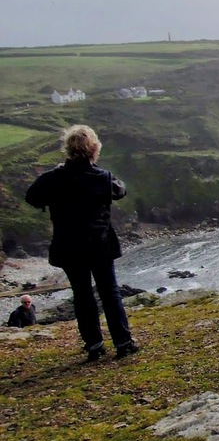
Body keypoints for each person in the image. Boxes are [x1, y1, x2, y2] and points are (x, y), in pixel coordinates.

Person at [24, 125, 139, 362]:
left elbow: (32, 196)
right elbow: (120, 190)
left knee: (82, 294)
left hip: (69, 245)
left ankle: (94, 345)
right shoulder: (102, 177)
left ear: (67, 149)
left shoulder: (53, 178)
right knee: (110, 293)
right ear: (94, 149)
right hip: (100, 244)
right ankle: (123, 342)